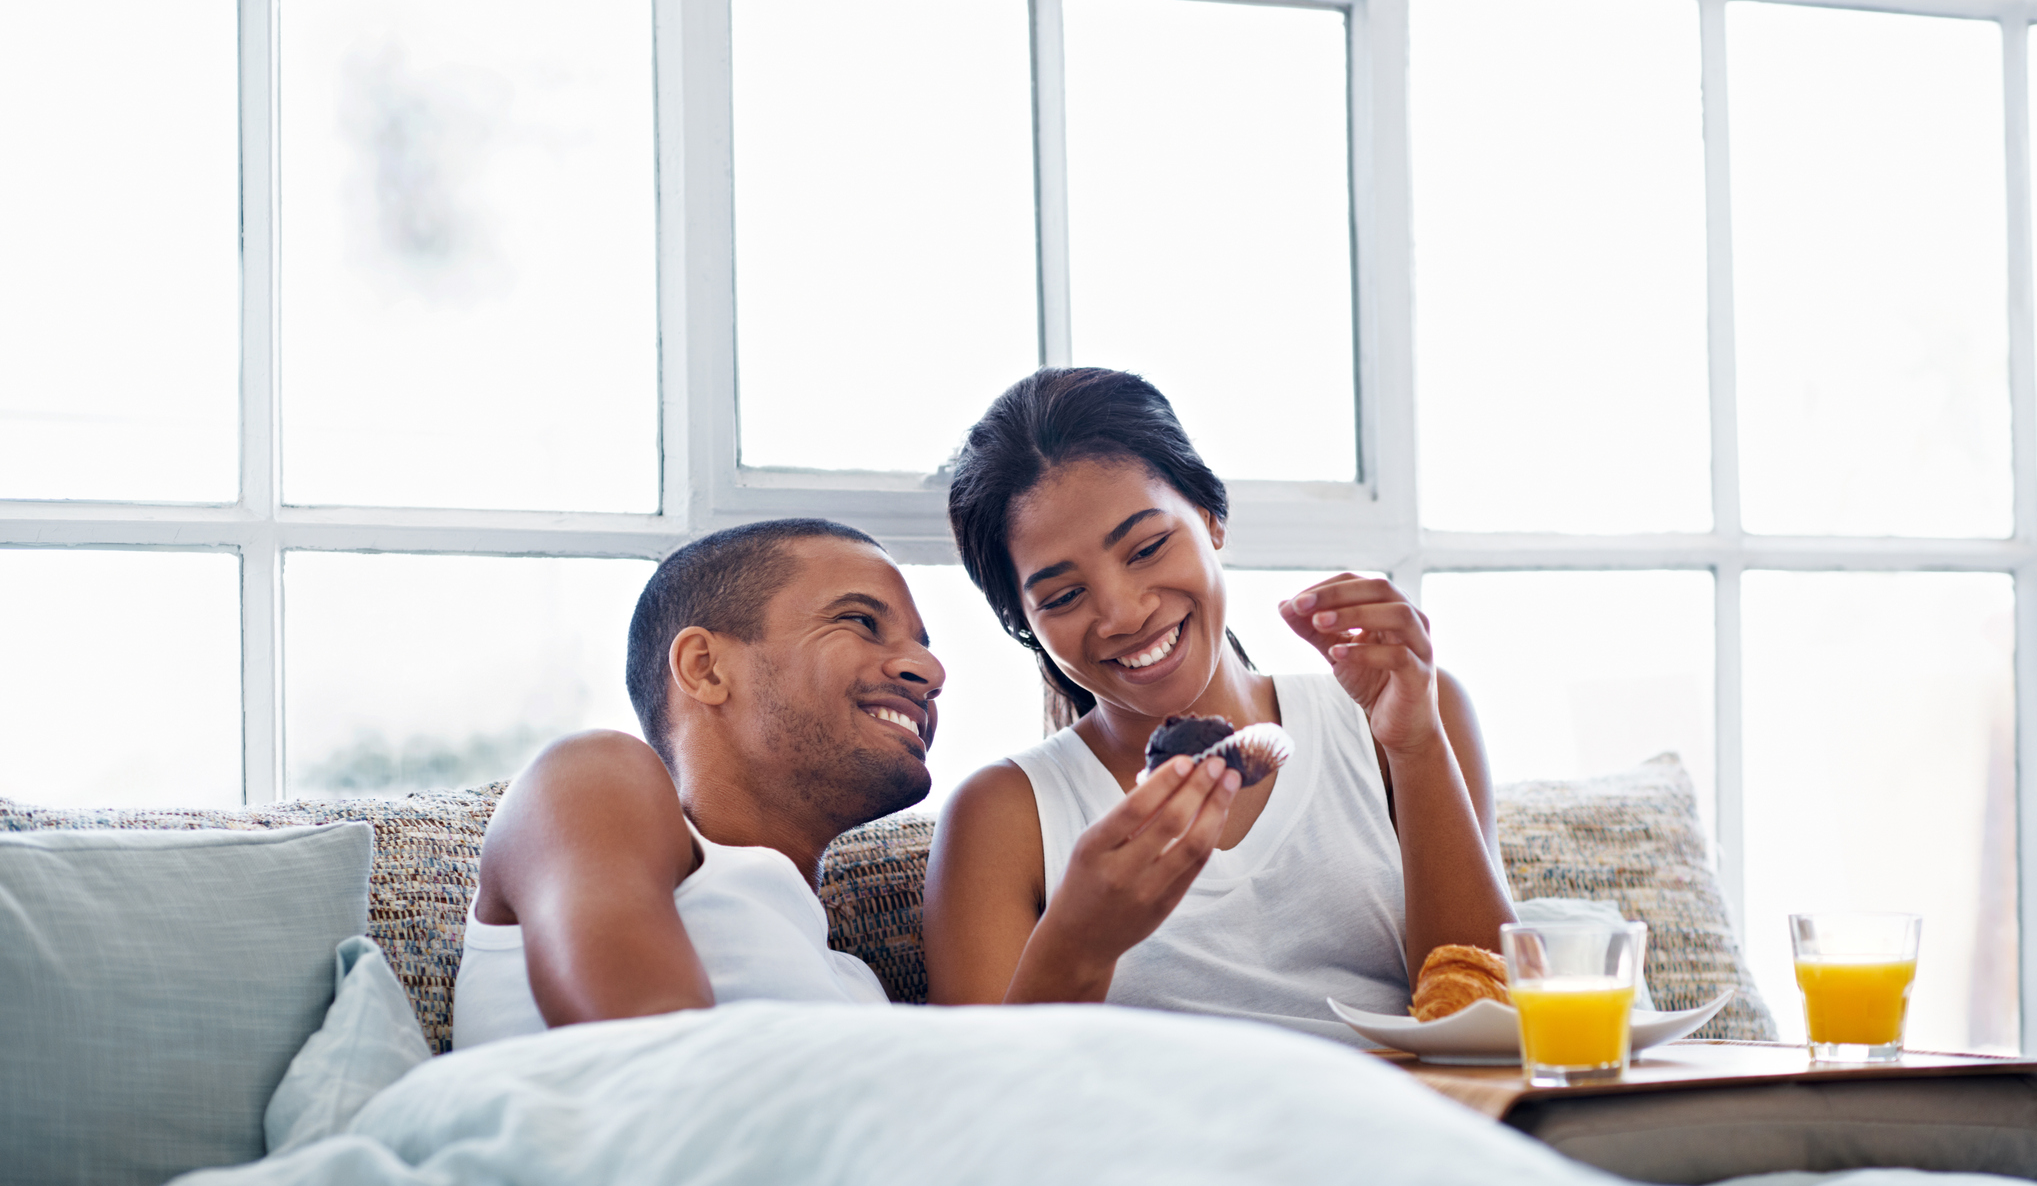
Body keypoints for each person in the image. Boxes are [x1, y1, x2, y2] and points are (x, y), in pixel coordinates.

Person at [923, 368, 1514, 1042]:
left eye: (1147, 548)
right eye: (1061, 596)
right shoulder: (1004, 816)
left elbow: (1486, 1018)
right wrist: (1079, 944)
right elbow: (979, 1108)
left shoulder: (1396, 718)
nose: (1122, 613)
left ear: (1210, 517)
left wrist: (1416, 748)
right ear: (1027, 626)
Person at [454, 518, 944, 1049]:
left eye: (922, 645)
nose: (931, 670)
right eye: (861, 621)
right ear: (705, 669)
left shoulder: (855, 984)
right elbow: (659, 1065)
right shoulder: (596, 776)